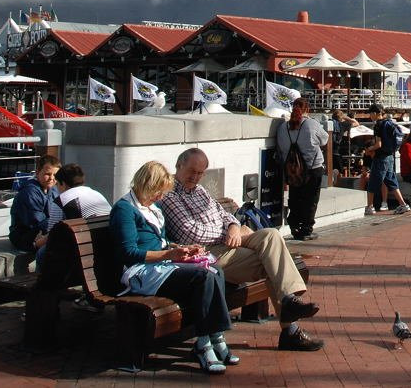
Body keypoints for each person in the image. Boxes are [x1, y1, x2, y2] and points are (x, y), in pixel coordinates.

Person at [160, 148, 325, 352]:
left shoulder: (200, 191)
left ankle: (289, 300)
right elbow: (191, 232)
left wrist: (234, 227)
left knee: (271, 236)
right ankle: (289, 328)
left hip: (228, 243)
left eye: (200, 173)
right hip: (206, 255)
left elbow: (225, 215)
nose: (195, 177)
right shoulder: (169, 195)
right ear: (179, 166)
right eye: (192, 171)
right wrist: (230, 233)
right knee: (271, 261)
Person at [109, 161, 234, 373]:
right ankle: (204, 343)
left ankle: (214, 336)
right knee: (202, 277)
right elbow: (128, 253)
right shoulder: (124, 209)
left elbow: (162, 241)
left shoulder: (153, 208)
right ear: (146, 185)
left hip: (161, 265)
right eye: (158, 191)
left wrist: (182, 249)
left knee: (215, 270)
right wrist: (170, 254)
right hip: (140, 272)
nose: (160, 197)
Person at [277, 97, 331, 238]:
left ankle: (294, 225)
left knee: (295, 197)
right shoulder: (311, 124)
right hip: (313, 167)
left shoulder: (283, 127)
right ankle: (306, 229)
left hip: (293, 170)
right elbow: (324, 139)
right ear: (307, 109)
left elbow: (281, 148)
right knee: (311, 199)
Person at [9, 155, 64, 264]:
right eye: (47, 174)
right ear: (38, 172)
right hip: (24, 236)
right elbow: (37, 222)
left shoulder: (53, 190)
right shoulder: (29, 193)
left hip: (42, 231)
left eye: (55, 175)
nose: (52, 178)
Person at [365, 105, 411, 216]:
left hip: (381, 158)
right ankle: (403, 204)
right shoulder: (389, 122)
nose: (370, 116)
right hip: (390, 156)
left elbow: (378, 144)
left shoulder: (378, 125)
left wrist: (368, 149)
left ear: (376, 113)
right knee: (391, 181)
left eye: (371, 113)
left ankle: (370, 207)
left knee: (372, 182)